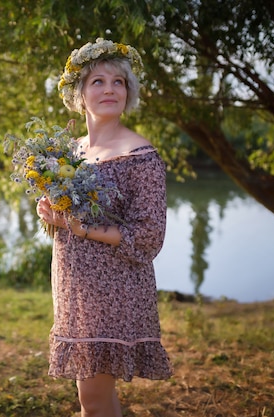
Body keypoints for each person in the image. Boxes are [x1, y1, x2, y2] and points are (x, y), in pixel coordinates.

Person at [36, 38, 173, 417]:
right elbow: (65, 212)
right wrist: (50, 209)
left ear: (129, 92)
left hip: (114, 291)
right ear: (79, 93)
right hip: (72, 284)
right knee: (102, 401)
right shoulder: (71, 152)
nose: (109, 89)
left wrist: (79, 228)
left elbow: (148, 236)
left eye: (119, 82)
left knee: (92, 403)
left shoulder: (140, 156)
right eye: (97, 81)